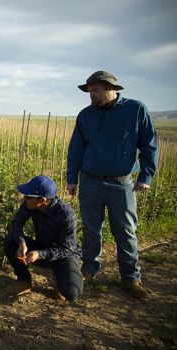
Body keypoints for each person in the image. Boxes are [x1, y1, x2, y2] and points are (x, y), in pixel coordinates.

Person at [67, 71, 158, 299]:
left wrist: (146, 176)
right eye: (89, 92)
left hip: (121, 183)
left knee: (126, 231)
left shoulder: (135, 110)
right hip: (90, 181)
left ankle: (130, 278)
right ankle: (89, 269)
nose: (91, 96)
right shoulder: (85, 115)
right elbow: (76, 148)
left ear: (110, 88)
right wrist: (72, 178)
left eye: (95, 90)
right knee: (91, 229)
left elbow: (149, 144)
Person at [4, 176, 83, 301]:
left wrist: (40, 254)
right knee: (10, 240)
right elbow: (17, 223)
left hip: (64, 255)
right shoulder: (29, 204)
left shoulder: (66, 215)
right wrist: (22, 242)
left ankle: (61, 279)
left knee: (73, 292)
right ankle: (24, 281)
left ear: (43, 200)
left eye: (28, 197)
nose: (24, 198)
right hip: (43, 247)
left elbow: (67, 249)